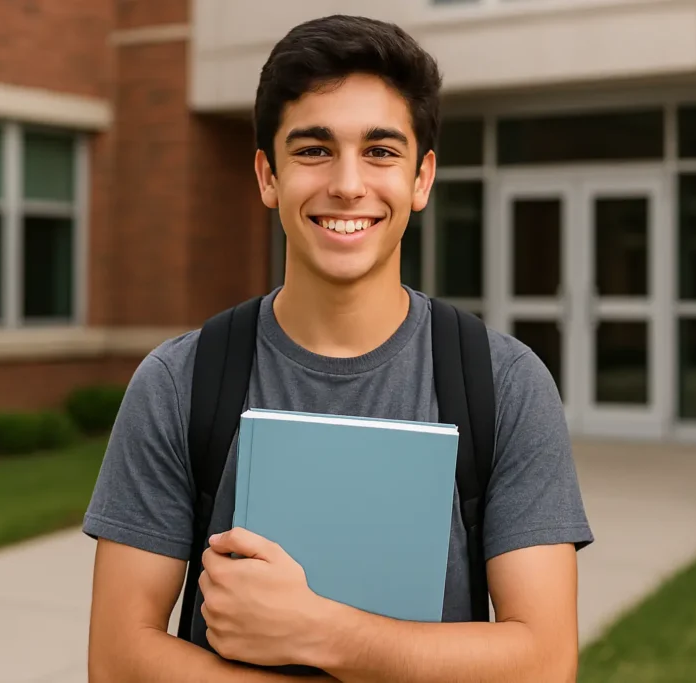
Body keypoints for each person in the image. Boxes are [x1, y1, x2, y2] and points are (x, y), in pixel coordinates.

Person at [84, 13, 593, 683]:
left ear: (421, 178)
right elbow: (118, 659)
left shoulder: (503, 383)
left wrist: (317, 629)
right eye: (314, 149)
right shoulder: (182, 381)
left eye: (380, 150)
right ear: (268, 175)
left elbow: (545, 663)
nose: (348, 183)